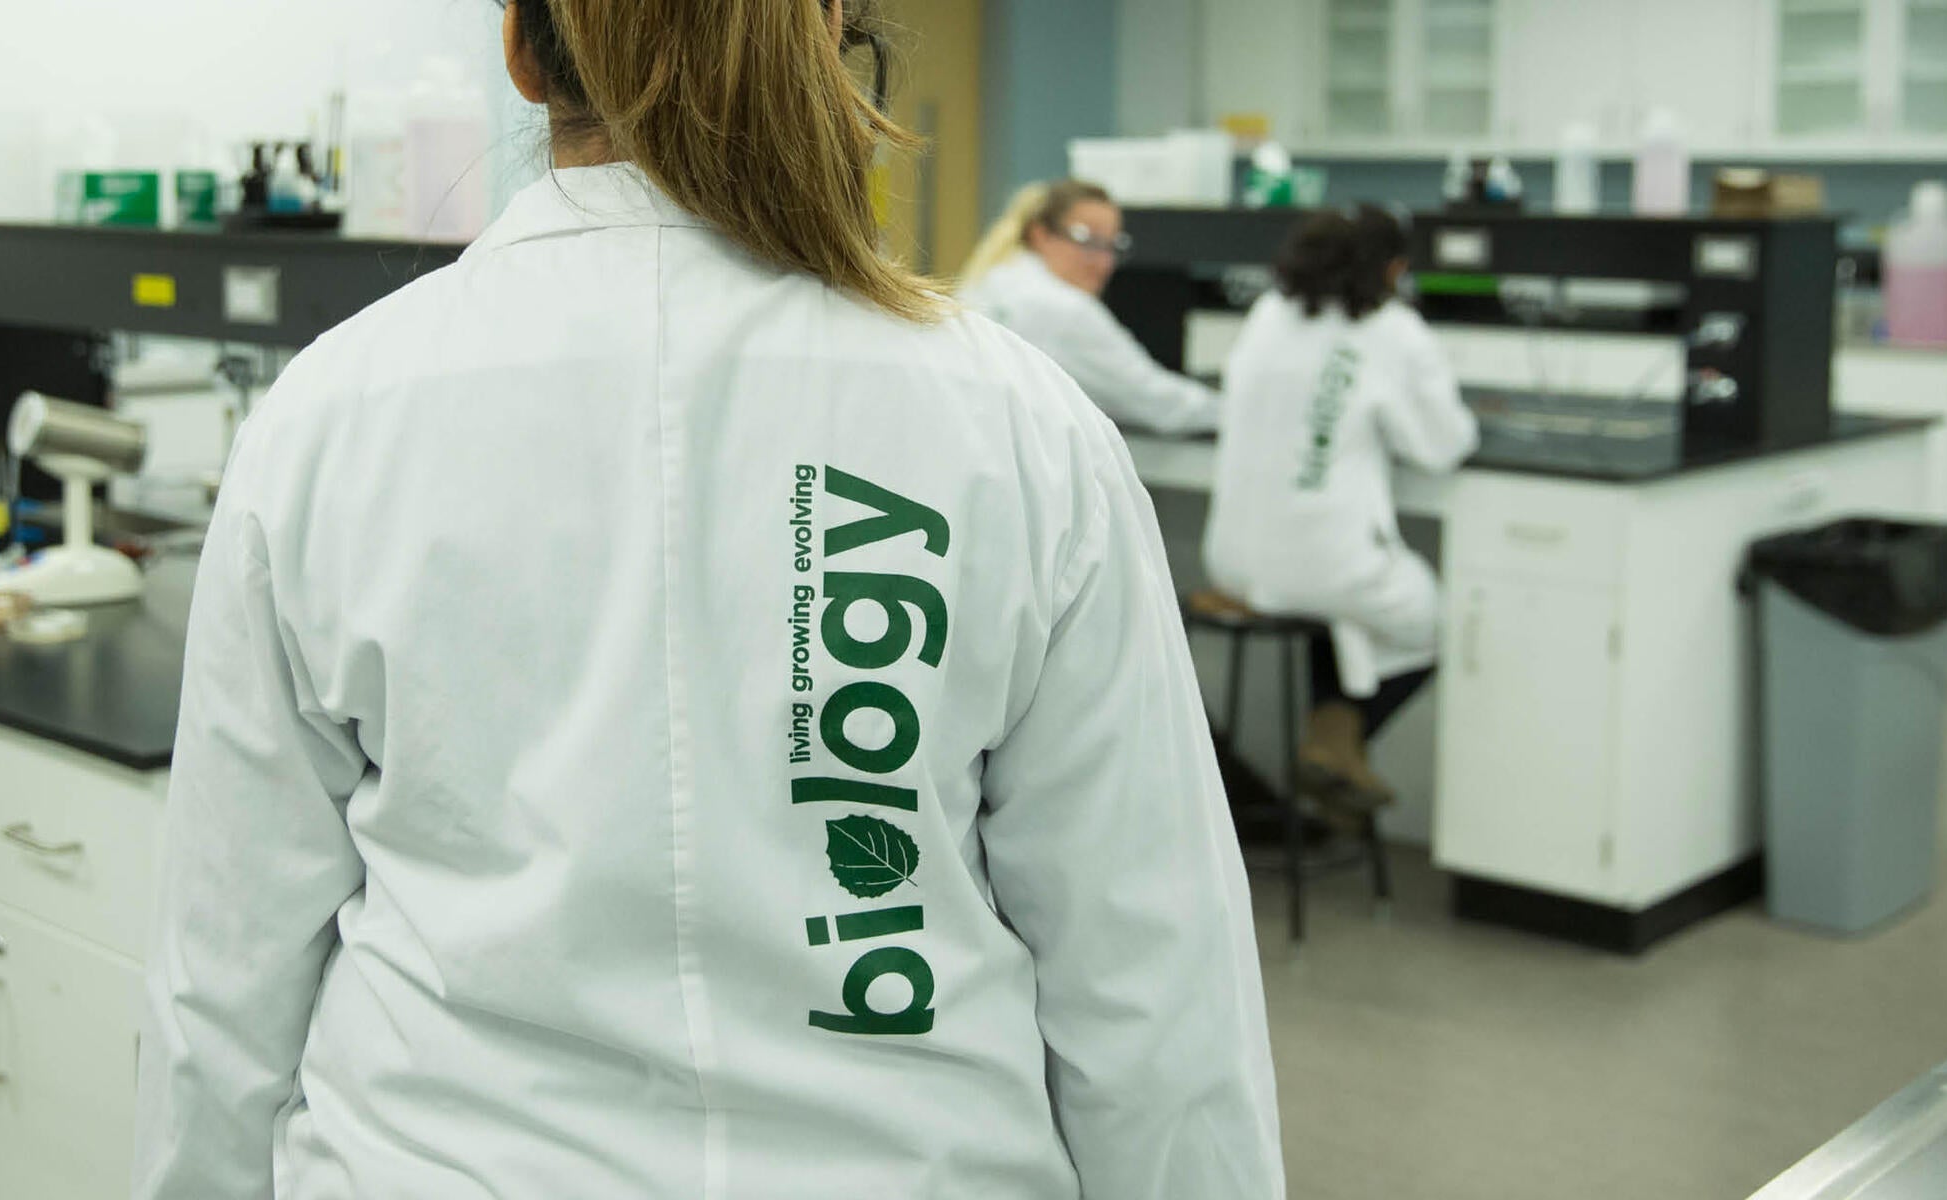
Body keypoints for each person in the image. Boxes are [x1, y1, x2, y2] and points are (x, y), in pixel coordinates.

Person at [133, 0, 1281, 1196]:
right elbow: (1152, 981)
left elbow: (224, 972)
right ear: (829, 32)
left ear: (523, 53)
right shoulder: (1017, 425)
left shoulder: (330, 417)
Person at [1201, 206, 1476, 803]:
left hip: (1232, 560)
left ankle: (1332, 749)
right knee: (1432, 615)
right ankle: (1333, 738)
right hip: (1322, 564)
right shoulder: (1395, 329)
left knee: (1345, 610)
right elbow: (1442, 447)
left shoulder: (1268, 313)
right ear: (1395, 269)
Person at [956, 179, 1221, 435]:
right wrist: (1232, 410)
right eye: (1088, 241)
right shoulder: (1063, 308)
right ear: (1040, 235)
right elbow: (1155, 400)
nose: (1104, 263)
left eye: (1112, 246)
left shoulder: (990, 280)